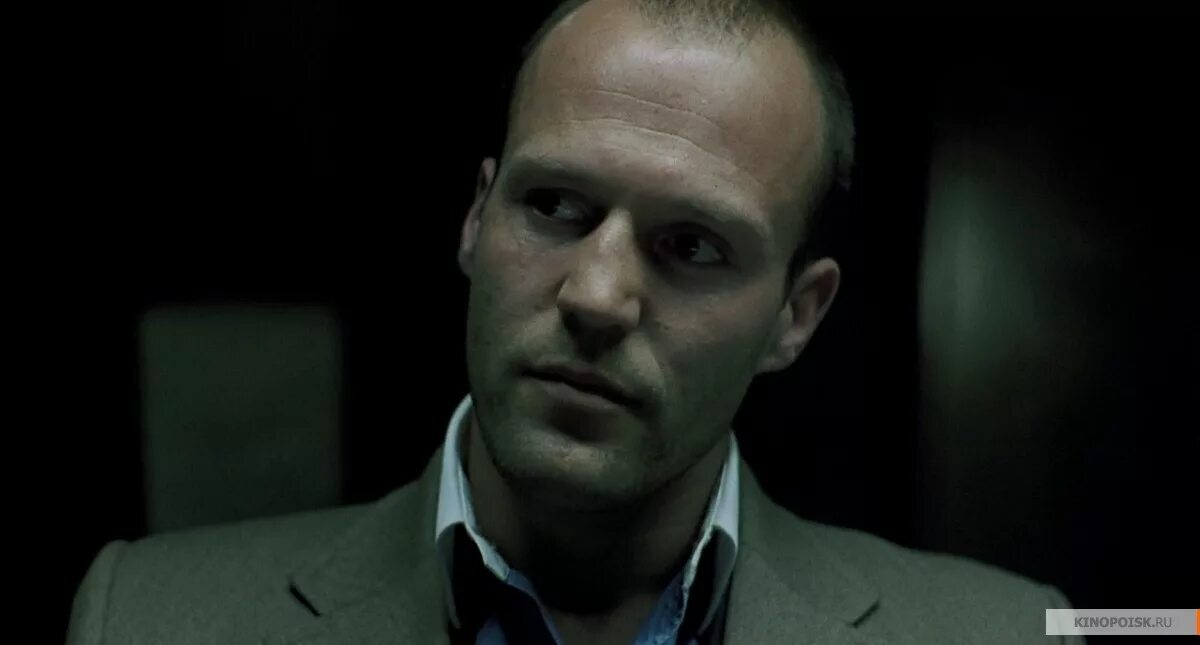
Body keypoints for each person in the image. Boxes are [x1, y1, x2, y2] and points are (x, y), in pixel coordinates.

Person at [67, 0, 1080, 643]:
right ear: (476, 219)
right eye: (554, 205)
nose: (597, 296)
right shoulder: (147, 619)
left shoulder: (1008, 632)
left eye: (691, 245)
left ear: (795, 315)